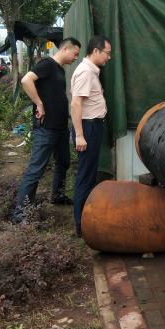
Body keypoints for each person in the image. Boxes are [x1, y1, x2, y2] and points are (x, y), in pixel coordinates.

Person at [11, 38, 82, 224]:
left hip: (60, 127)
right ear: (65, 49)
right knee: (35, 170)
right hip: (46, 128)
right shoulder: (47, 65)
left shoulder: (59, 69)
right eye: (75, 54)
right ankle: (20, 214)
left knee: (63, 162)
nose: (76, 58)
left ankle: (57, 195)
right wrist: (39, 103)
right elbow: (26, 80)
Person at [70, 35, 112, 237]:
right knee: (85, 175)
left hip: (92, 126)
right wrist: (79, 135)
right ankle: (81, 224)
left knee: (89, 173)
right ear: (96, 51)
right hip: (87, 127)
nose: (108, 57)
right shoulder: (86, 72)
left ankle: (86, 218)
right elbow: (76, 103)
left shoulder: (91, 71)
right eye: (107, 53)